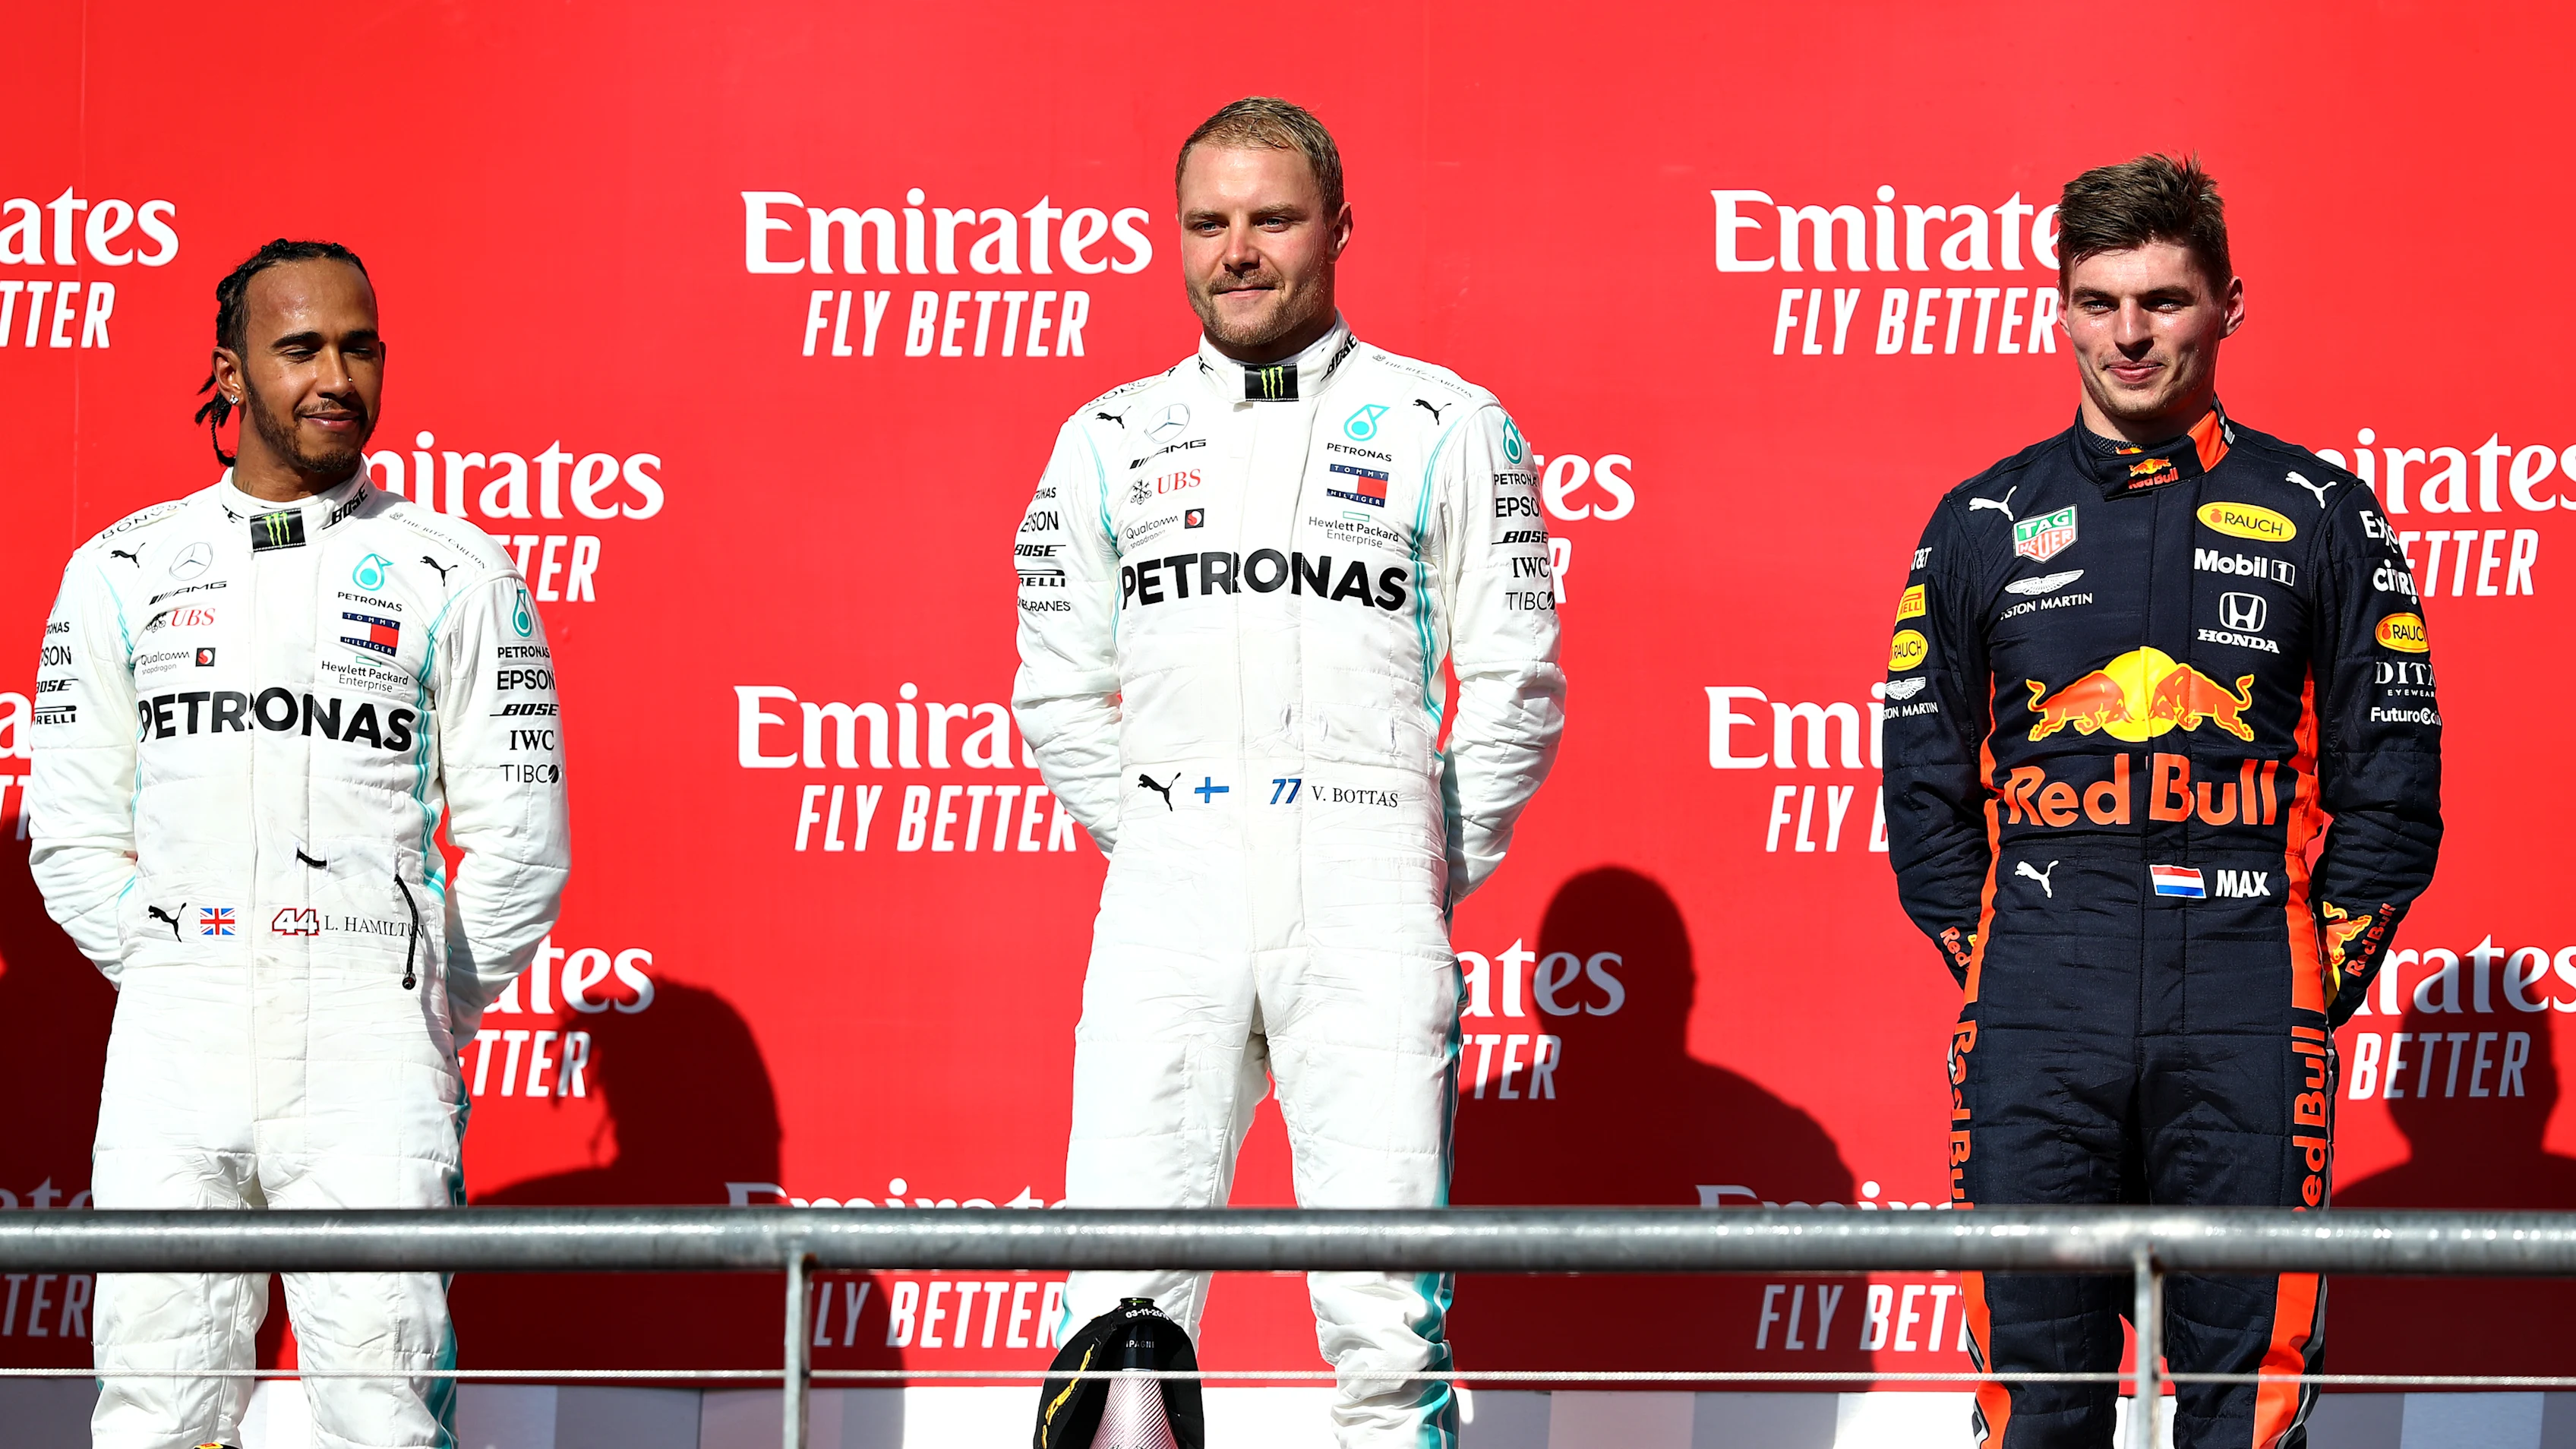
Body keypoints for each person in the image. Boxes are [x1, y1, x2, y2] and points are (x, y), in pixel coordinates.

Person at [1012, 97, 1564, 1446]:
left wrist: (1412, 859)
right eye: (1209, 222)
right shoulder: (1107, 439)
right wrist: (1159, 837)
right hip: (1169, 891)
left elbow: (1516, 689)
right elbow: (1056, 694)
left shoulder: (1448, 421)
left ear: (1339, 228)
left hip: (1368, 886)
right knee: (1118, 1306)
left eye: (1273, 218)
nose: (1238, 251)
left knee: (1386, 1321)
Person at [1883, 154, 2442, 1449]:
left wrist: (2305, 966)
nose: (2129, 336)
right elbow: (1921, 783)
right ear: (2060, 308)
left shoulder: (2322, 510)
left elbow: (2395, 782)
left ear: (2228, 305)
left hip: (2251, 996)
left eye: (2164, 300)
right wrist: (2006, 958)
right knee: (2035, 1402)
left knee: (2250, 1412)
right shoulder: (1980, 519)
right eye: (2099, 300)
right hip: (2038, 1006)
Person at [29, 238, 571, 1449]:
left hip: (373, 1040)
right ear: (229, 374)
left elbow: (522, 843)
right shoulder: (119, 569)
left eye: (361, 346)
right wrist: (183, 963)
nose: (339, 376)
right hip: (177, 1037)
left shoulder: (457, 570)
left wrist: (415, 1001)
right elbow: (68, 834)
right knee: (156, 1409)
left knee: (381, 1413)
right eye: (301, 348)